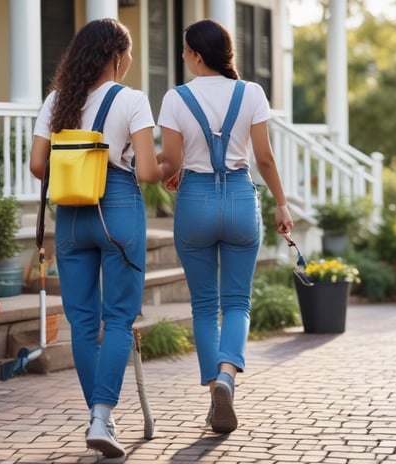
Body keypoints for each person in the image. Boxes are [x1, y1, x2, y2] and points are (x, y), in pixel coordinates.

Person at [30, 18, 166, 458]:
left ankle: (99, 418)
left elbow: (38, 166)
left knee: (83, 323)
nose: (128, 64)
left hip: (70, 216)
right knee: (120, 319)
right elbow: (146, 172)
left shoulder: (56, 100)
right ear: (116, 55)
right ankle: (101, 418)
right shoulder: (132, 100)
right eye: (126, 56)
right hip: (118, 211)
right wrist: (170, 167)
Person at [157, 19, 294, 434]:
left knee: (203, 305)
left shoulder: (176, 98)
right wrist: (282, 203)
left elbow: (172, 161)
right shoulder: (250, 92)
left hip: (195, 201)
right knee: (237, 302)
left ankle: (213, 387)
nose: (182, 57)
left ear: (197, 55)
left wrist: (167, 173)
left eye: (184, 50)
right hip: (239, 199)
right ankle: (226, 378)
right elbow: (264, 158)